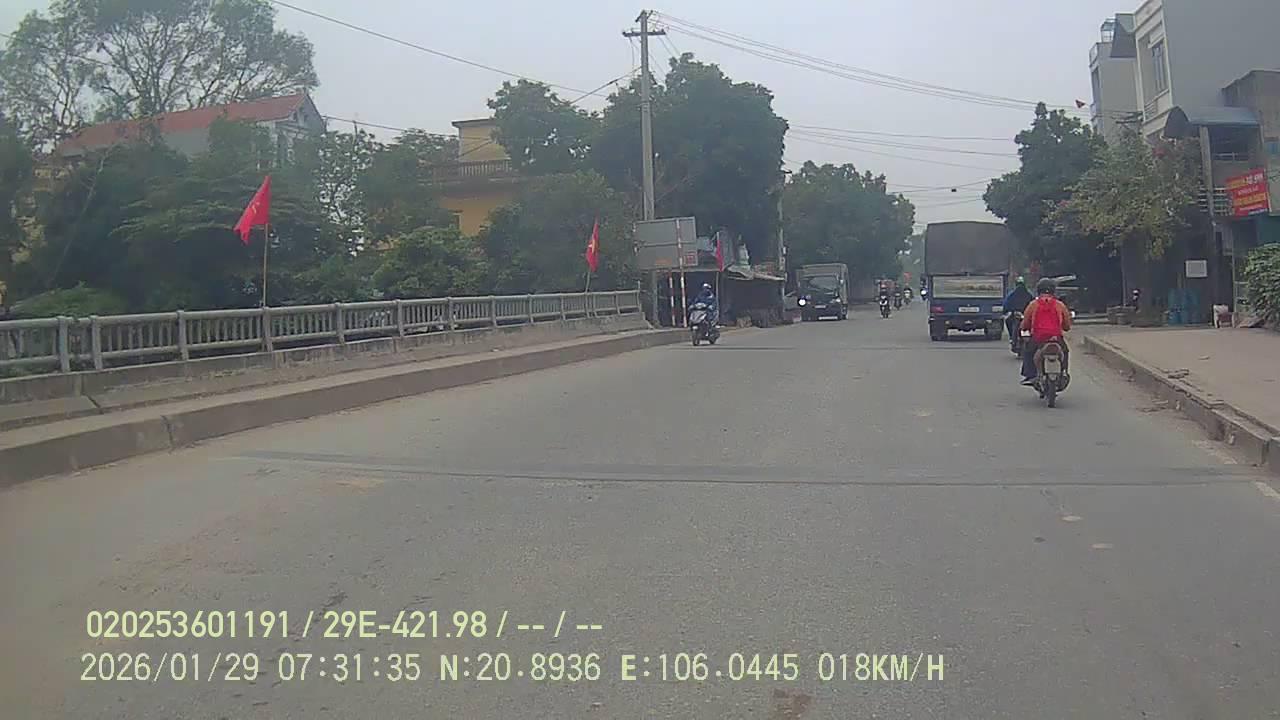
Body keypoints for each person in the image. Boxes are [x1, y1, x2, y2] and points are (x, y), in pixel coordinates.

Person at [1019, 278, 1072, 384]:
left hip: (1038, 338)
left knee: (1028, 352)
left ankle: (1030, 375)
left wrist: (1024, 328)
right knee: (1065, 351)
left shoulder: (1033, 304)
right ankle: (1064, 372)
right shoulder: (1060, 305)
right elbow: (1066, 325)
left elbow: (1025, 324)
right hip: (1056, 338)